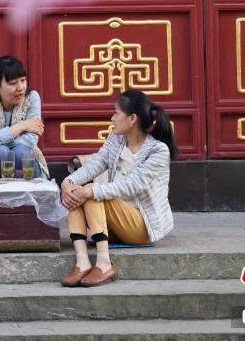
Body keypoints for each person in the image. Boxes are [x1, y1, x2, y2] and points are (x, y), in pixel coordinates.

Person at [59, 88, 177, 287]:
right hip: (113, 224)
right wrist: (68, 182)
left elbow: (131, 185)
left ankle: (104, 263)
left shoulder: (158, 151)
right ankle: (82, 262)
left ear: (132, 119)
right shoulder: (116, 139)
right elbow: (96, 164)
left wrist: (89, 190)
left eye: (116, 113)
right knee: (79, 191)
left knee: (92, 192)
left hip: (141, 226)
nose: (112, 118)